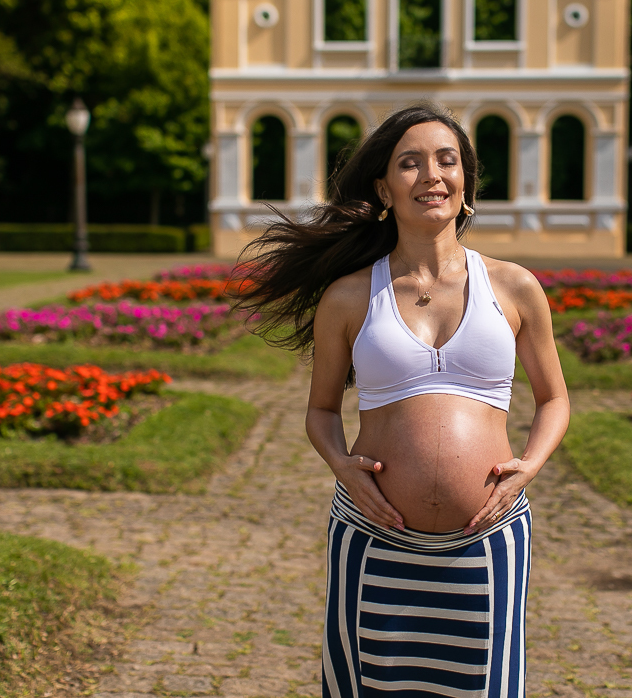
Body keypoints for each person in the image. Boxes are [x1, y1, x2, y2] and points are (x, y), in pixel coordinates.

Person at [239, 103, 569, 698]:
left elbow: (554, 400)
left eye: (447, 160)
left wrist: (529, 468)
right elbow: (319, 411)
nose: (432, 176)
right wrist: (341, 465)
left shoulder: (515, 286)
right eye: (410, 163)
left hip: (486, 541)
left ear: (466, 182)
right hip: (373, 540)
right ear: (384, 189)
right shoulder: (348, 296)